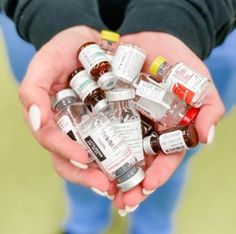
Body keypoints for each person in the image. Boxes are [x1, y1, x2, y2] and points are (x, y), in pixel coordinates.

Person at [0, 1, 236, 233]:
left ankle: (152, 226)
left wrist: (186, 14)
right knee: (81, 158)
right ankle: (84, 223)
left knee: (170, 161)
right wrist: (50, 14)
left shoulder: (135, 89)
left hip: (200, 29)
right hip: (48, 27)